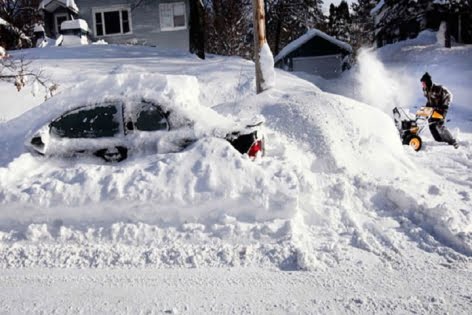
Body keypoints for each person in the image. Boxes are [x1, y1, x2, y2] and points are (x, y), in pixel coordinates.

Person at [420, 72, 458, 149]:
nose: (422, 84)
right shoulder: (425, 89)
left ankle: (452, 141)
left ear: (427, 82)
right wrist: (425, 110)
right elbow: (429, 99)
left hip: (442, 108)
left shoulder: (438, 88)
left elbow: (449, 95)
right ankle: (439, 141)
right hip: (433, 107)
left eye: (423, 83)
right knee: (431, 125)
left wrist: (444, 106)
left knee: (439, 124)